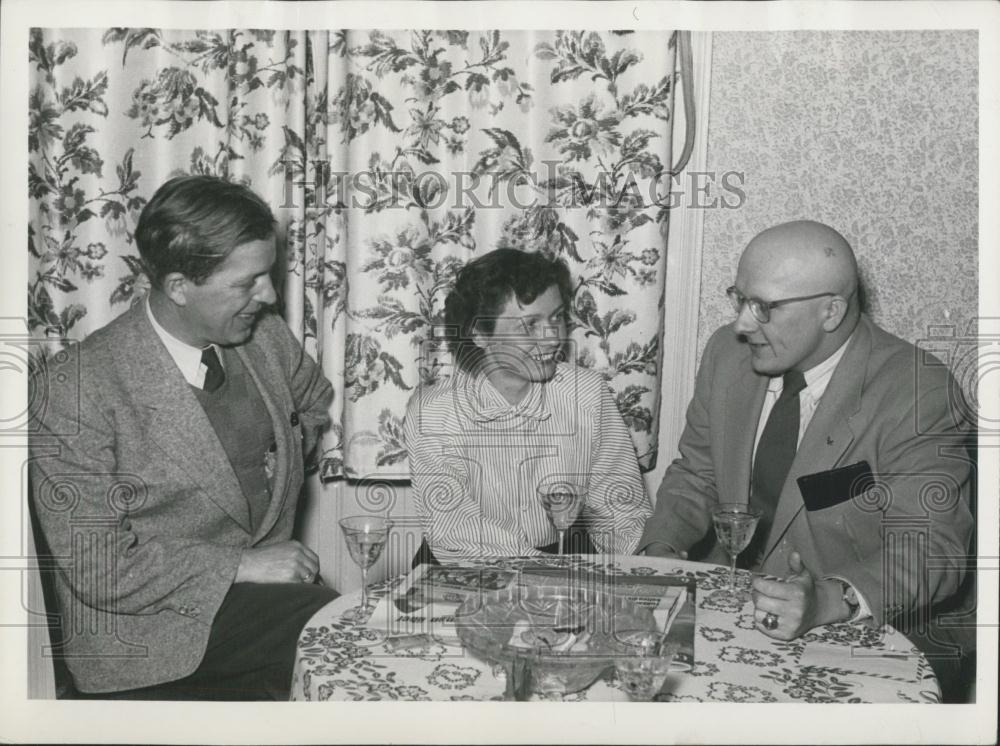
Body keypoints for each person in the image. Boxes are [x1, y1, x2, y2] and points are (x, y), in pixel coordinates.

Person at [29, 175, 337, 700]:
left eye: (268, 275)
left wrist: (268, 466)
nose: (269, 295)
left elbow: (311, 400)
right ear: (178, 286)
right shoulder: (73, 390)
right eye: (248, 282)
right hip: (147, 638)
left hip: (256, 611)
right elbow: (99, 567)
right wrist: (242, 564)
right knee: (330, 626)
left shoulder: (264, 339)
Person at [638, 220, 976, 697]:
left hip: (856, 631)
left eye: (764, 307)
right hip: (728, 610)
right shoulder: (726, 354)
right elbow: (698, 473)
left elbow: (932, 548)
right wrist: (661, 555)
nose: (742, 324)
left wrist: (829, 599)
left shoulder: (920, 392)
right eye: (740, 299)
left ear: (831, 311)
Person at [403, 248, 652, 563]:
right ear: (480, 334)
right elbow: (455, 530)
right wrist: (541, 572)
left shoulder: (588, 393)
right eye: (529, 325)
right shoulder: (434, 412)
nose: (552, 339)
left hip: (564, 554)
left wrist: (645, 566)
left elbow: (621, 513)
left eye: (557, 317)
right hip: (466, 564)